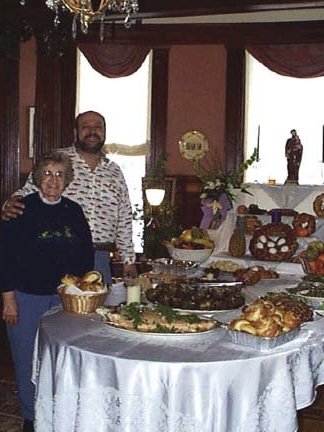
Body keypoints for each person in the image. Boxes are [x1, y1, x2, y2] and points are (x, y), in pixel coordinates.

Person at [0, 151, 94, 432]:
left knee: (62, 360)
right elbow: (4, 255)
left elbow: (86, 257)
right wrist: (7, 299)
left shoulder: (74, 211)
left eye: (60, 174)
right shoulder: (20, 208)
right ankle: (31, 417)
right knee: (26, 358)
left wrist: (79, 293)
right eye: (48, 173)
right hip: (25, 298)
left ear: (67, 181)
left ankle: (59, 413)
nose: (53, 180)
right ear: (38, 177)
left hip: (64, 300)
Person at [2, 110, 137, 282]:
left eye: (98, 127)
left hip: (100, 260)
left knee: (101, 308)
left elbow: (124, 217)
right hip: (62, 254)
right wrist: (8, 205)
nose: (92, 131)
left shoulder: (114, 171)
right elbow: (26, 192)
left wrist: (129, 261)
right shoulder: (58, 161)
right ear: (76, 133)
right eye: (85, 127)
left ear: (104, 132)